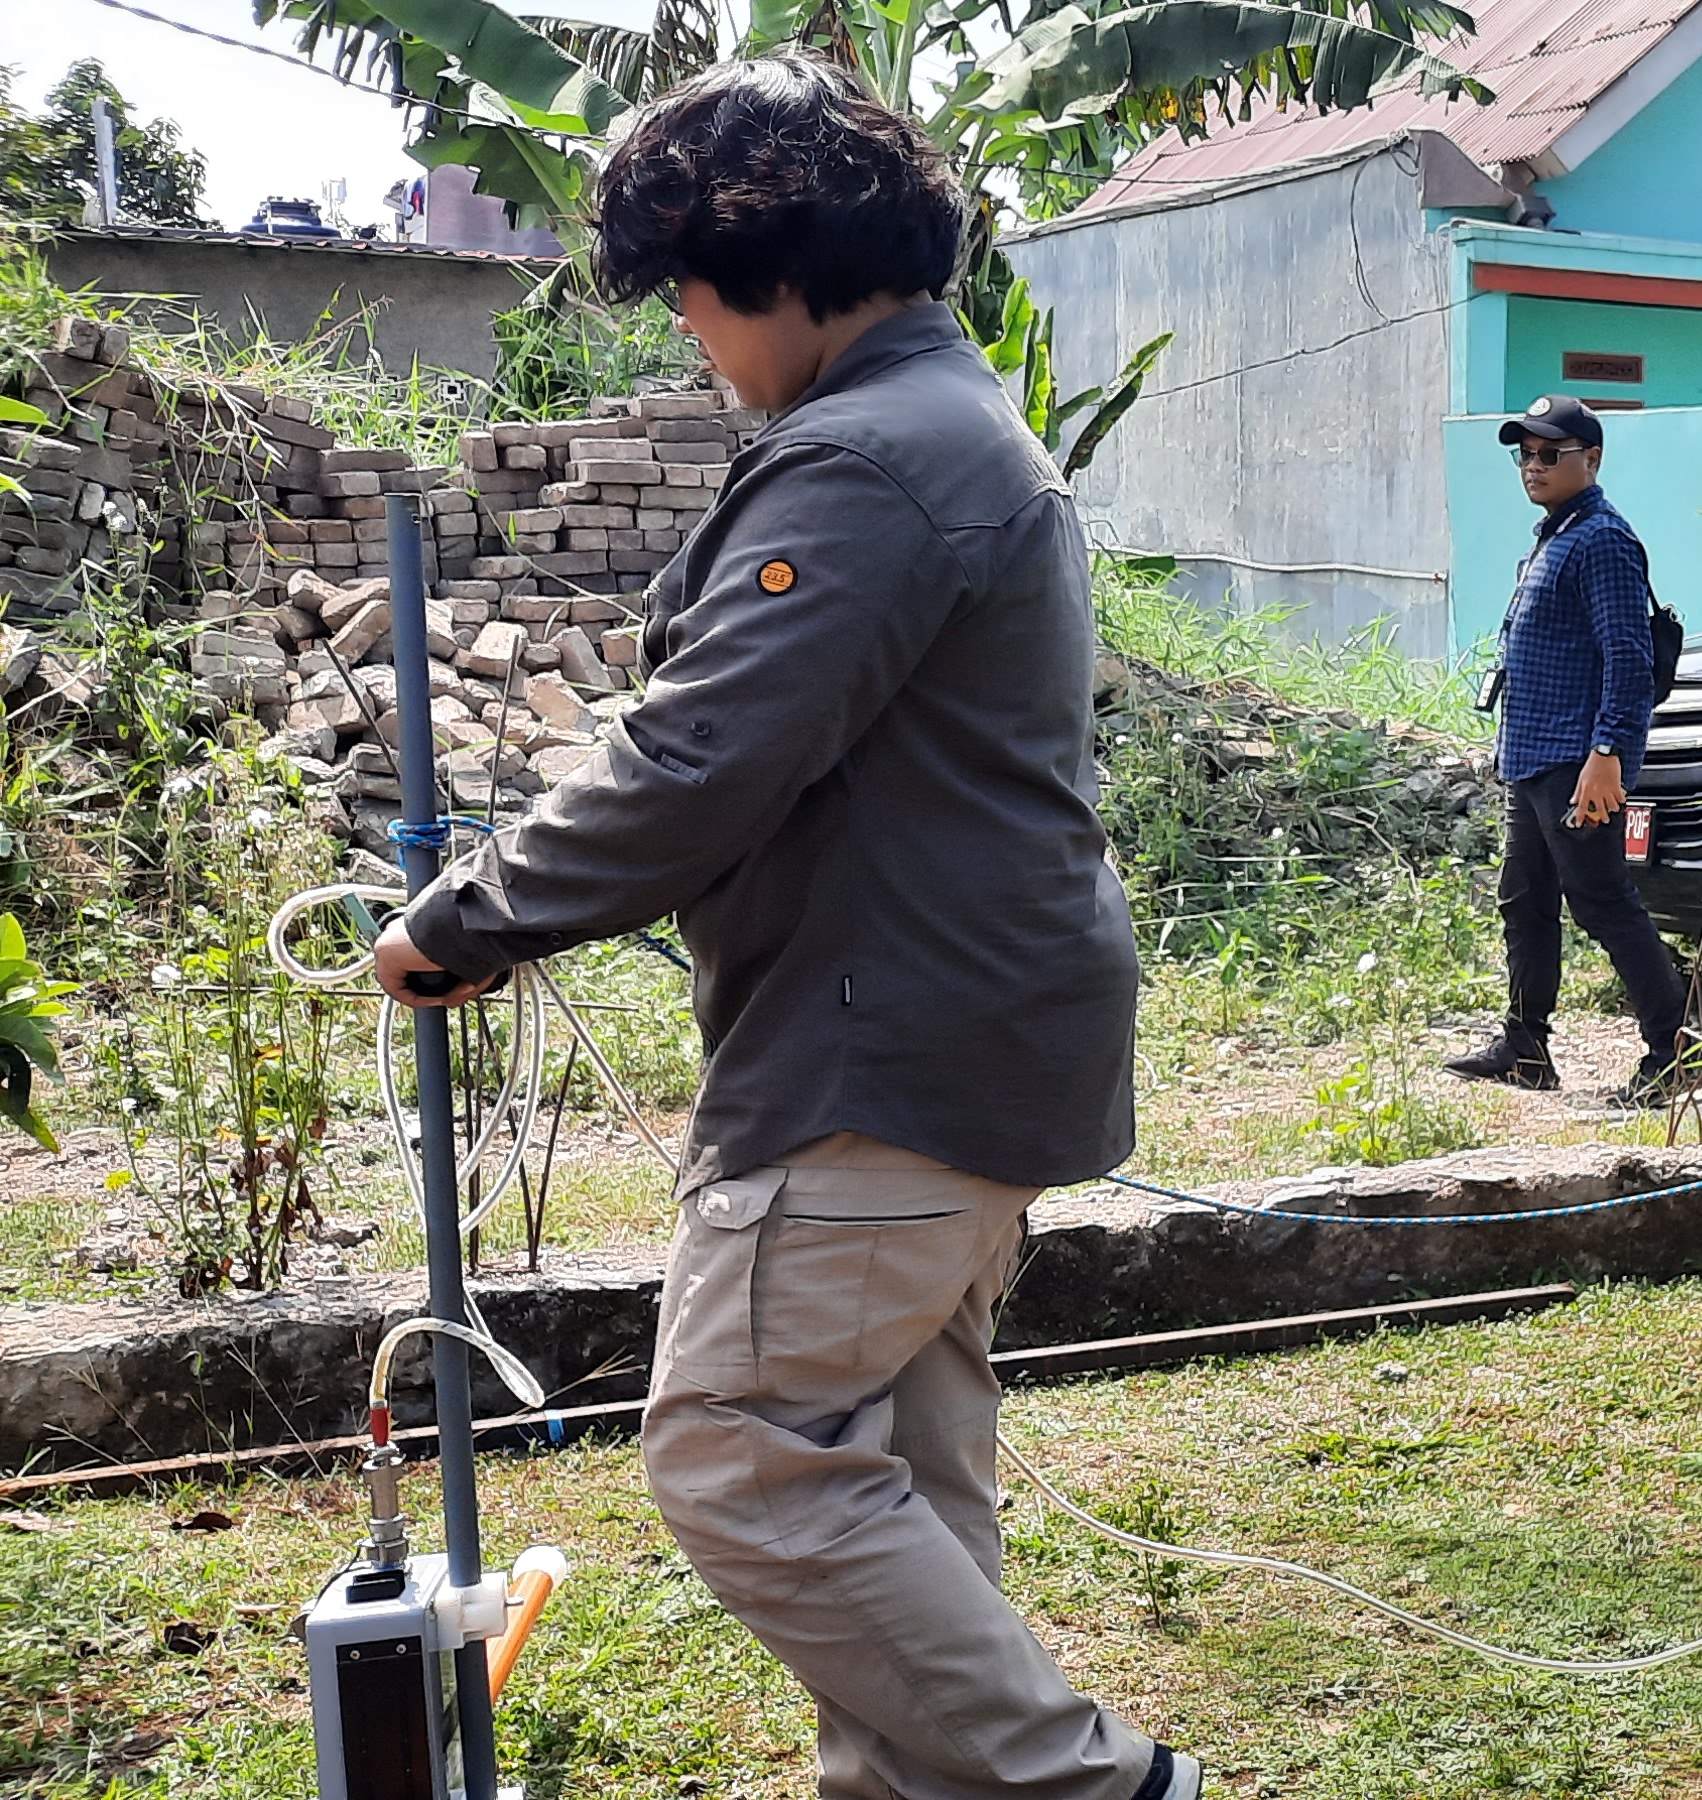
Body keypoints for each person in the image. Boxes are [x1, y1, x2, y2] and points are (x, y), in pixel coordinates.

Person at [367, 56, 1192, 1800]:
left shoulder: (872, 458)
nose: (688, 336)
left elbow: (702, 757)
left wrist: (471, 918)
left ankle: (1103, 1788)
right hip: (968, 1039)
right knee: (897, 1476)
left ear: (771, 265)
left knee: (739, 1452)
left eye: (686, 294)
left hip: (879, 1053)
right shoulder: (945, 427)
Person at [1444, 394, 1702, 1107]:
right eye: (1525, 453)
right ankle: (1526, 1048)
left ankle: (1677, 1052)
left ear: (1590, 459)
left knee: (1601, 901)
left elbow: (1628, 659)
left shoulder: (1603, 541)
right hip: (1533, 756)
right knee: (1524, 899)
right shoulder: (1555, 534)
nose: (1533, 465)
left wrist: (1608, 754)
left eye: (1549, 453)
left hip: (1576, 761)